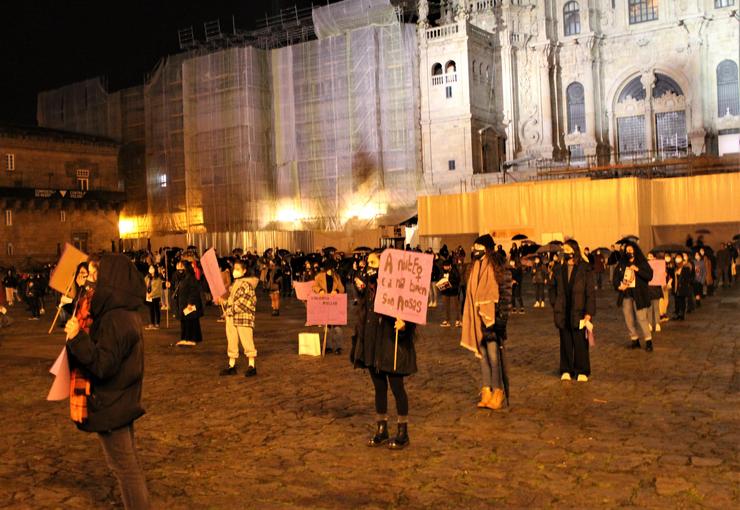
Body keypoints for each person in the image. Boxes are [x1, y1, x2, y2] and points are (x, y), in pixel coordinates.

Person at [64, 254, 150, 510]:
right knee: (126, 464)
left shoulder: (115, 319)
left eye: (93, 275)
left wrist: (78, 338)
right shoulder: (122, 313)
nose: (89, 280)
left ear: (109, 279)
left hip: (112, 400)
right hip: (119, 398)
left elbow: (103, 365)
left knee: (125, 468)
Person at [351, 251, 416, 449]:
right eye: (367, 262)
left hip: (390, 343)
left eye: (372, 262)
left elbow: (409, 311)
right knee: (379, 388)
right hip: (372, 344)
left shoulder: (397, 287)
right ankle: (382, 428)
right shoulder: (368, 288)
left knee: (397, 388)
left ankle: (403, 432)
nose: (367, 265)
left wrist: (404, 326)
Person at [461, 234, 509, 409]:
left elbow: (504, 296)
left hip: (492, 321)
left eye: (479, 247)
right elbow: (469, 295)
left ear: (487, 249)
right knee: (482, 358)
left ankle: (498, 391)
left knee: (494, 358)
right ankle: (486, 391)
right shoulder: (474, 268)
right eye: (475, 248)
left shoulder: (497, 267)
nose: (476, 251)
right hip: (477, 320)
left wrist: (500, 322)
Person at [549, 240, 596, 381]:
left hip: (580, 310)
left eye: (568, 249)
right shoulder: (558, 269)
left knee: (580, 341)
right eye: (564, 249)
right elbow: (552, 288)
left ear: (574, 250)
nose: (565, 251)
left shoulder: (585, 268)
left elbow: (590, 292)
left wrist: (589, 312)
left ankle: (582, 370)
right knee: (565, 341)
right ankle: (566, 369)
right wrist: (555, 303)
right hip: (563, 310)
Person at [219, 259, 258, 377]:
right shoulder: (235, 284)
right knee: (232, 341)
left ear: (244, 271)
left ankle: (252, 365)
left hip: (243, 318)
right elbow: (232, 302)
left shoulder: (247, 285)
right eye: (234, 269)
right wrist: (224, 302)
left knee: (247, 341)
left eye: (237, 269)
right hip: (232, 318)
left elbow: (242, 304)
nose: (234, 271)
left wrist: (228, 310)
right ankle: (232, 365)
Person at [614, 241, 654, 352]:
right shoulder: (622, 263)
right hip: (626, 294)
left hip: (639, 295)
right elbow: (615, 277)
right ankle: (634, 339)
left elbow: (649, 275)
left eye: (631, 250)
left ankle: (648, 340)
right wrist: (619, 286)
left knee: (641, 318)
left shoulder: (641, 262)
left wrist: (638, 270)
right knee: (629, 319)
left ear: (635, 250)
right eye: (627, 250)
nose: (629, 252)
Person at [312, 259, 346, 354]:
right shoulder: (319, 276)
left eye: (333, 269)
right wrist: (320, 291)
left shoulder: (336, 277)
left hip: (334, 305)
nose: (332, 271)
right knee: (326, 327)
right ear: (327, 269)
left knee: (337, 327)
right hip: (324, 304)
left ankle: (338, 347)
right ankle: (328, 346)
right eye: (331, 269)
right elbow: (314, 286)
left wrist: (337, 291)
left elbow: (342, 288)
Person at [172, 260, 203, 347]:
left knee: (190, 321)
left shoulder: (190, 278)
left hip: (189, 304)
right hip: (182, 303)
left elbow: (194, 291)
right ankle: (185, 338)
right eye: (177, 266)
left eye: (181, 266)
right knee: (184, 322)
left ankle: (191, 339)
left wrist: (190, 302)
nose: (179, 268)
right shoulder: (179, 277)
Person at [438, 258, 461, 327]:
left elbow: (458, 279)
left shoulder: (454, 270)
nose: (445, 267)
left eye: (446, 266)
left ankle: (458, 320)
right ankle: (446, 320)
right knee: (446, 307)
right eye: (444, 266)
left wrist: (450, 282)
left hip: (453, 291)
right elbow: (440, 278)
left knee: (455, 307)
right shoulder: (443, 271)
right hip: (445, 291)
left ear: (450, 265)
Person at [645, 253, 663, 333]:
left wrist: (663, 275)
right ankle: (649, 324)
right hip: (648, 290)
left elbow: (661, 277)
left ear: (654, 258)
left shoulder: (659, 266)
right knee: (649, 308)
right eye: (648, 257)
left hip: (656, 290)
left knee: (656, 308)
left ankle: (657, 324)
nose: (649, 258)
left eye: (651, 256)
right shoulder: (645, 266)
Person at [672, 255, 692, 320]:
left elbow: (688, 278)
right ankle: (678, 313)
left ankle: (682, 314)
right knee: (677, 301)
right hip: (676, 287)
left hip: (682, 288)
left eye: (679, 259)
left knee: (682, 301)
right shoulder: (674, 269)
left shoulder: (686, 269)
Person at [144, 266, 162, 330]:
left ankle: (157, 323)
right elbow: (144, 284)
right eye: (150, 268)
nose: (151, 269)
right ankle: (151, 323)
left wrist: (151, 294)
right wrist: (146, 293)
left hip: (155, 296)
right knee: (150, 310)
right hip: (148, 296)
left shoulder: (158, 278)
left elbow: (156, 288)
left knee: (156, 309)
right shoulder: (147, 277)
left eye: (152, 268)